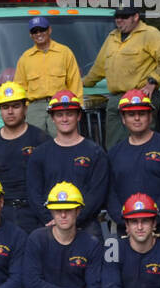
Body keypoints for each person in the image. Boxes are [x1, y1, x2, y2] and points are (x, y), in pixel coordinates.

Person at [82, 5, 160, 149]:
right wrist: (81, 83)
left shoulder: (150, 33)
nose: (120, 21)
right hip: (116, 98)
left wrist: (153, 81)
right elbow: (99, 67)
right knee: (114, 145)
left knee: (142, 143)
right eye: (117, 17)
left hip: (141, 96)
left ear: (136, 17)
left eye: (124, 17)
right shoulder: (112, 37)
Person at [26, 90, 109, 239]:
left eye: (69, 114)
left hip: (86, 227)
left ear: (79, 116)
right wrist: (53, 221)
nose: (64, 119)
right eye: (59, 114)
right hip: (50, 226)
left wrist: (74, 220)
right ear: (52, 118)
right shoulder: (39, 154)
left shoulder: (95, 152)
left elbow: (97, 194)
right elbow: (34, 193)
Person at [105, 90, 160, 244]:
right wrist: (126, 222)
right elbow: (110, 193)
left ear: (150, 116)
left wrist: (152, 219)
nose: (136, 118)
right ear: (123, 119)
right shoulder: (114, 153)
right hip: (125, 230)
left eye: (141, 113)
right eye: (131, 114)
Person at [0, 81, 48, 233]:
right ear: (0, 111)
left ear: (25, 108)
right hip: (1, 217)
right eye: (5, 107)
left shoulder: (41, 140)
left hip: (36, 216)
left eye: (15, 106)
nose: (10, 112)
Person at [13, 17, 82, 136]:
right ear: (30, 35)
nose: (39, 34)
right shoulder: (25, 58)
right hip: (35, 108)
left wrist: (76, 108)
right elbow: (19, 88)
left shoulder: (64, 52)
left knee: (63, 141)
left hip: (61, 105)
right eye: (35, 31)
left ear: (49, 30)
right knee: (34, 144)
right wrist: (24, 111)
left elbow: (75, 83)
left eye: (42, 30)